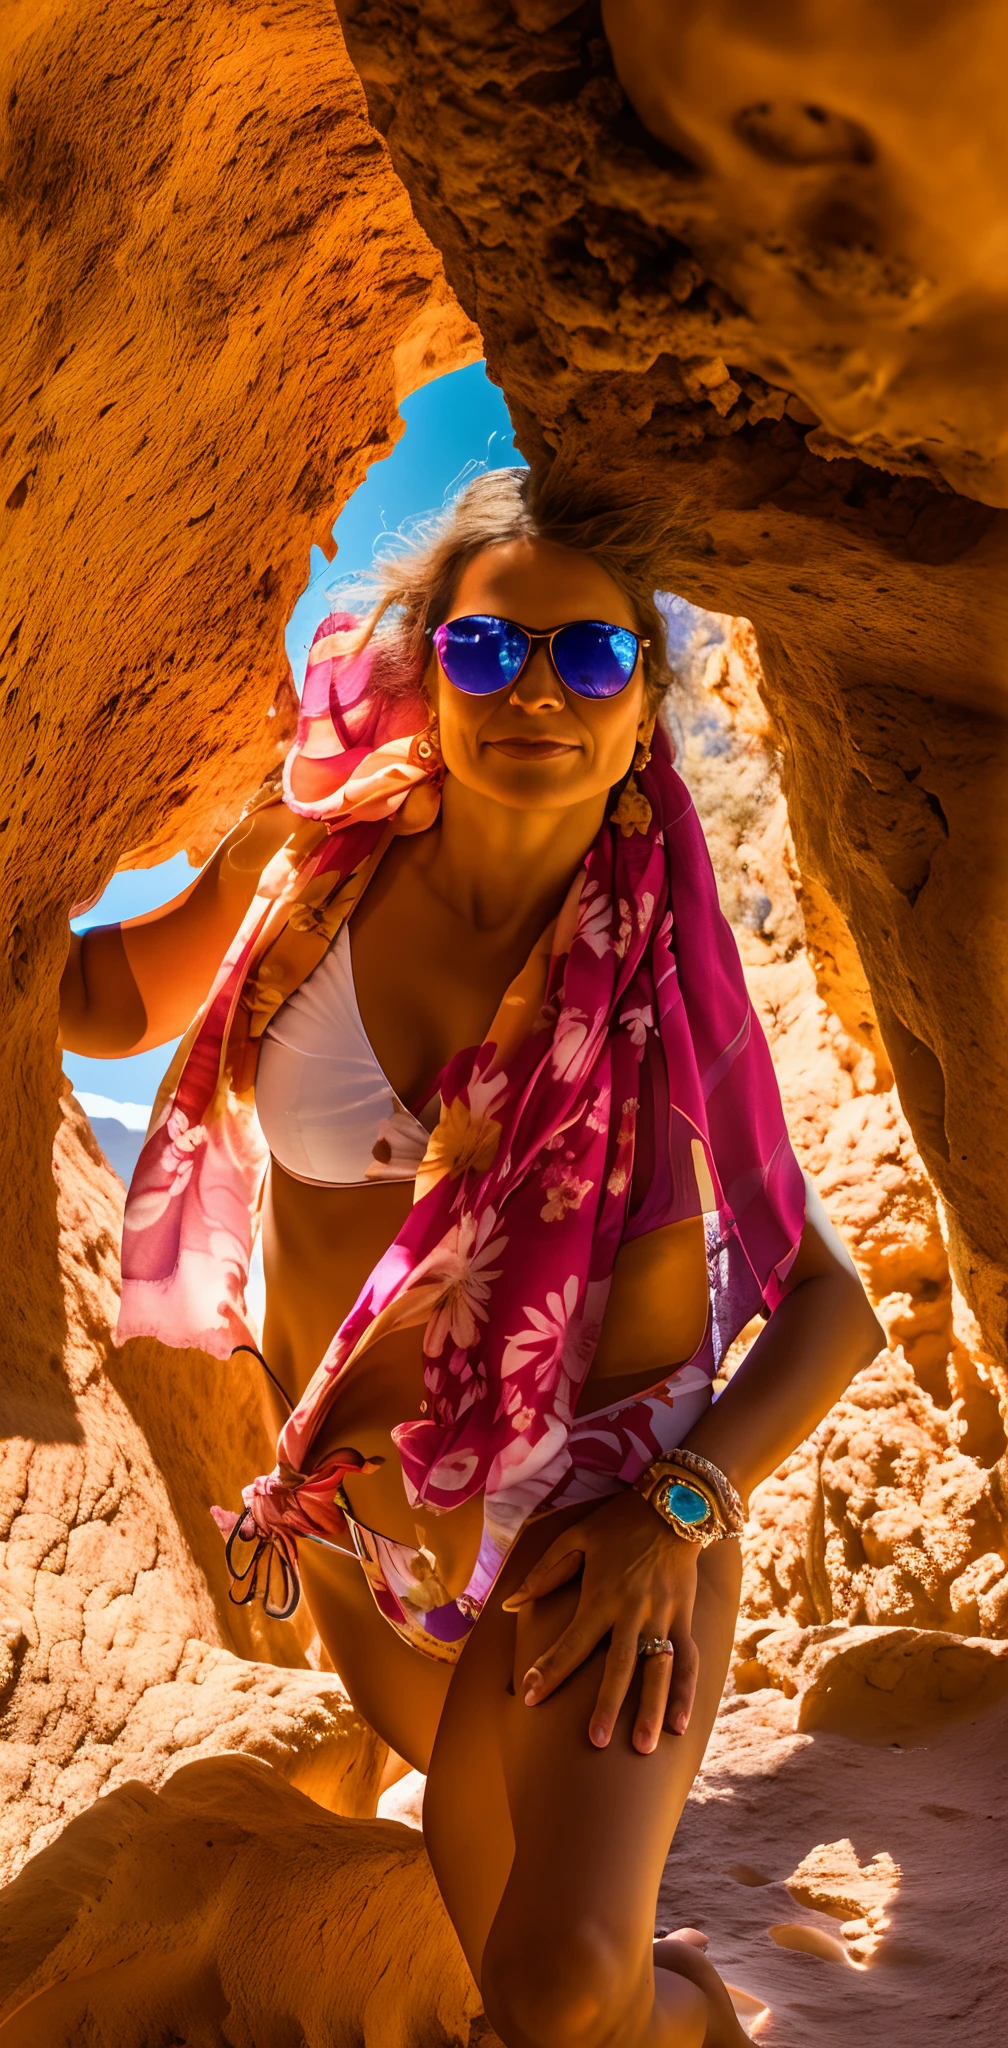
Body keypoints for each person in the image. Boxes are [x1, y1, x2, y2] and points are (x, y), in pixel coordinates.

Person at [60, 466, 882, 2047]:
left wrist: (679, 1512)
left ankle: (688, 2018)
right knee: (531, 1995)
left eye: (591, 660)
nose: (537, 696)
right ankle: (690, 2018)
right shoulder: (307, 869)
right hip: (376, 1563)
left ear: (645, 711)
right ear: (423, 670)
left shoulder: (657, 976)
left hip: (605, 1535)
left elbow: (829, 1305)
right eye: (491, 652)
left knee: (559, 1985)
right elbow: (101, 1000)